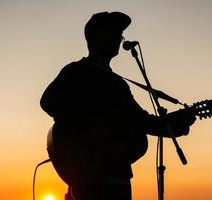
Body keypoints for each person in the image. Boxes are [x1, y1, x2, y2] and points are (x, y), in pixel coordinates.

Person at [40, 11, 196, 200]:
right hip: (89, 176)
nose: (118, 38)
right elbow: (48, 101)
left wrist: (177, 123)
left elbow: (142, 121)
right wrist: (88, 128)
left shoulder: (118, 84)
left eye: (119, 34)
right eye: (111, 32)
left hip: (118, 177)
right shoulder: (77, 71)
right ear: (94, 37)